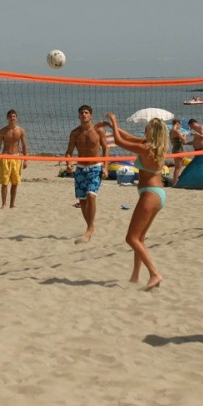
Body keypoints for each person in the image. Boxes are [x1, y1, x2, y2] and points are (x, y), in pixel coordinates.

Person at [100, 113, 168, 290]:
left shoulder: (146, 149)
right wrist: (111, 126)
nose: (144, 129)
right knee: (140, 238)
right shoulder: (155, 147)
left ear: (151, 132)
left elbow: (120, 142)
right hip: (158, 194)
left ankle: (154, 273)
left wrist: (115, 121)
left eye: (147, 128)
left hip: (150, 194)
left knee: (131, 238)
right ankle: (135, 276)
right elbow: (128, 137)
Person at [64, 105, 109, 243]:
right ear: (79, 116)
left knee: (91, 196)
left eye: (86, 113)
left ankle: (89, 229)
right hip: (81, 168)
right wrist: (68, 163)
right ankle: (90, 226)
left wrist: (105, 167)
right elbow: (69, 151)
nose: (84, 115)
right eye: (82, 113)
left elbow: (106, 150)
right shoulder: (75, 133)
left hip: (95, 167)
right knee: (82, 201)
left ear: (91, 115)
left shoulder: (99, 131)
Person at [0, 110, 29, 209]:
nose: (12, 118)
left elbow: (24, 145)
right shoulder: (3, 131)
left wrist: (26, 159)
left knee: (15, 182)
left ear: (16, 118)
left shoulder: (21, 130)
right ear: (7, 118)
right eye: (10, 116)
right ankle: (4, 204)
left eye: (13, 116)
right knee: (4, 182)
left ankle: (12, 204)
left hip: (16, 158)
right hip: (5, 157)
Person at [169, 118, 187, 186]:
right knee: (178, 167)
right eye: (180, 124)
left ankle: (175, 181)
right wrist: (185, 135)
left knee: (178, 166)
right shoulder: (176, 131)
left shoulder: (171, 131)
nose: (180, 126)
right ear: (177, 123)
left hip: (175, 148)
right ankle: (175, 183)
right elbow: (184, 141)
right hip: (178, 149)